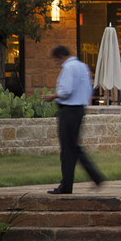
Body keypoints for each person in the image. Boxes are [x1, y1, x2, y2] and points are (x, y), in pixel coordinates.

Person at [44, 45, 105, 195]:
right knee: (72, 148)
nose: (57, 64)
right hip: (79, 110)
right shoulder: (82, 66)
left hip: (69, 111)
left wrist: (53, 96)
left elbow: (66, 91)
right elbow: (88, 89)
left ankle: (79, 181)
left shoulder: (69, 68)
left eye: (56, 60)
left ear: (61, 57)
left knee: (68, 149)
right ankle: (72, 183)